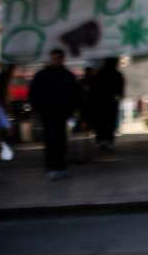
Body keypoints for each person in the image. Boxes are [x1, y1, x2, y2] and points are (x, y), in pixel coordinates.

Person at [29, 48, 80, 181]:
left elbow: (75, 95)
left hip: (62, 114)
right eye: (54, 58)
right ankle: (51, 168)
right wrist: (38, 110)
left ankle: (61, 167)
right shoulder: (42, 75)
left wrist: (72, 111)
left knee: (61, 141)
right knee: (50, 141)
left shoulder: (68, 76)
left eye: (58, 58)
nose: (56, 61)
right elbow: (34, 94)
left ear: (63, 59)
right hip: (47, 114)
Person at [89, 58, 125, 153]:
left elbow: (93, 89)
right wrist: (118, 97)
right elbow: (120, 90)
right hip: (111, 103)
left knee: (101, 122)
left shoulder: (99, 74)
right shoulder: (117, 74)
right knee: (110, 122)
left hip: (100, 103)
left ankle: (101, 140)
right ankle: (108, 140)